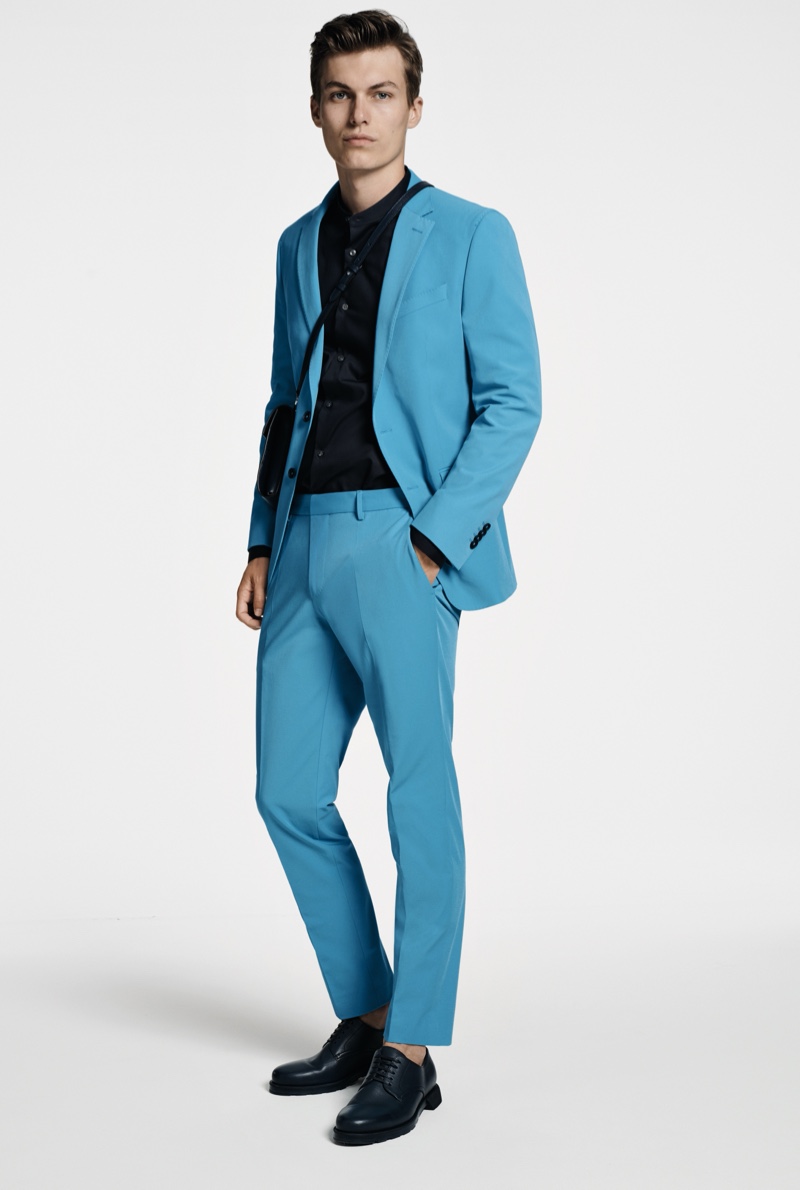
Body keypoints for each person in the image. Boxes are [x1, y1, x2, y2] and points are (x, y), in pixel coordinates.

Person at [235, 9, 541, 1146]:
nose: (357, 114)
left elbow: (512, 402)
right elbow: (284, 401)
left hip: (403, 540)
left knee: (417, 788)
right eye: (338, 93)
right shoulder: (294, 244)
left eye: (378, 93)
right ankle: (367, 1013)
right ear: (315, 109)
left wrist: (432, 541)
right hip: (304, 540)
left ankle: (413, 1049)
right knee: (287, 790)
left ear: (414, 106)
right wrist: (259, 542)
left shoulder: (471, 233)